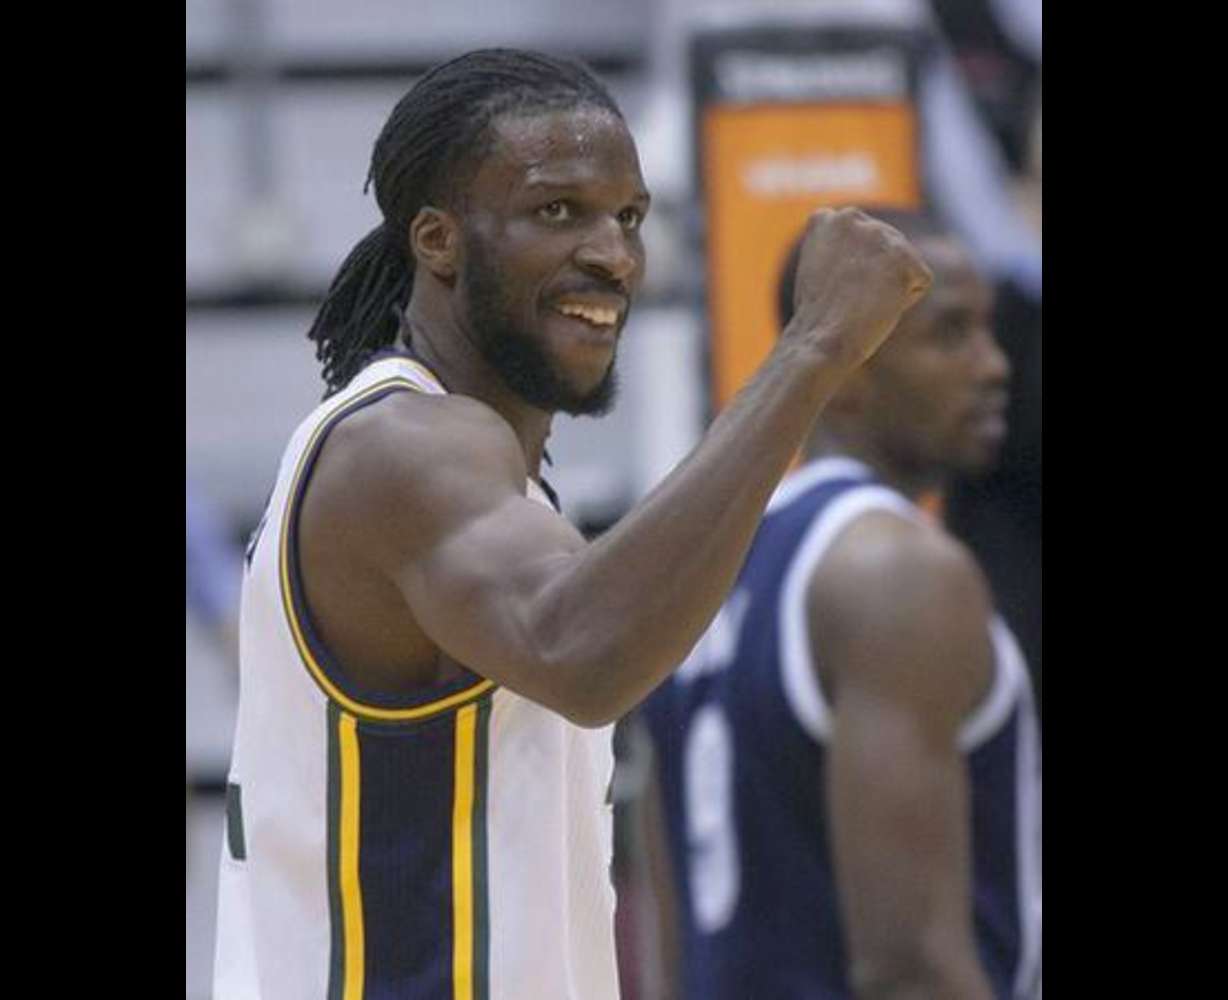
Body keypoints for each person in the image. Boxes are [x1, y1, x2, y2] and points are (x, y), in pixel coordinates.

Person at [212, 48, 933, 1000]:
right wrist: (815, 348)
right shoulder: (402, 449)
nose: (615, 255)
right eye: (560, 212)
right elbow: (582, 653)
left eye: (627, 217)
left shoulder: (488, 486)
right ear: (438, 241)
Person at [637, 210, 1041, 999]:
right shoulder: (895, 572)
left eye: (989, 332)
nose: (993, 366)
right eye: (950, 334)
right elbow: (911, 970)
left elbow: (671, 940)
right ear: (850, 368)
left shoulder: (700, 572)